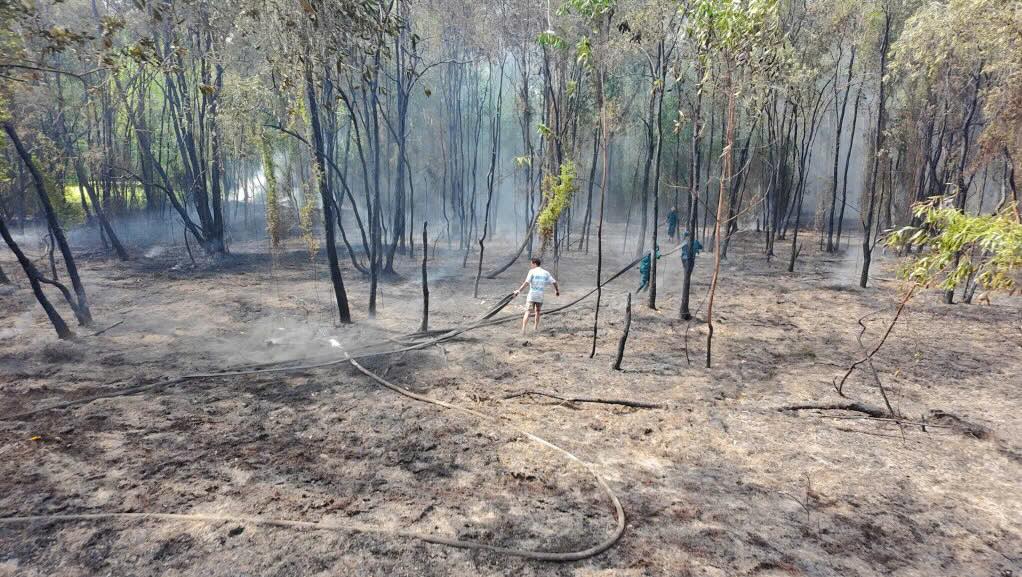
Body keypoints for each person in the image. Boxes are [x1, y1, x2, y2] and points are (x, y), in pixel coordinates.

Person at [513, 257, 559, 334]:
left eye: (531, 264)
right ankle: (535, 328)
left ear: (534, 263)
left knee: (528, 311)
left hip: (532, 295)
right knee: (538, 312)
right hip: (540, 296)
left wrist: (518, 291)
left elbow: (526, 283)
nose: (531, 265)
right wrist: (556, 290)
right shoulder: (546, 272)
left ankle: (523, 329)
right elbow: (554, 282)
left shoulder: (532, 271)